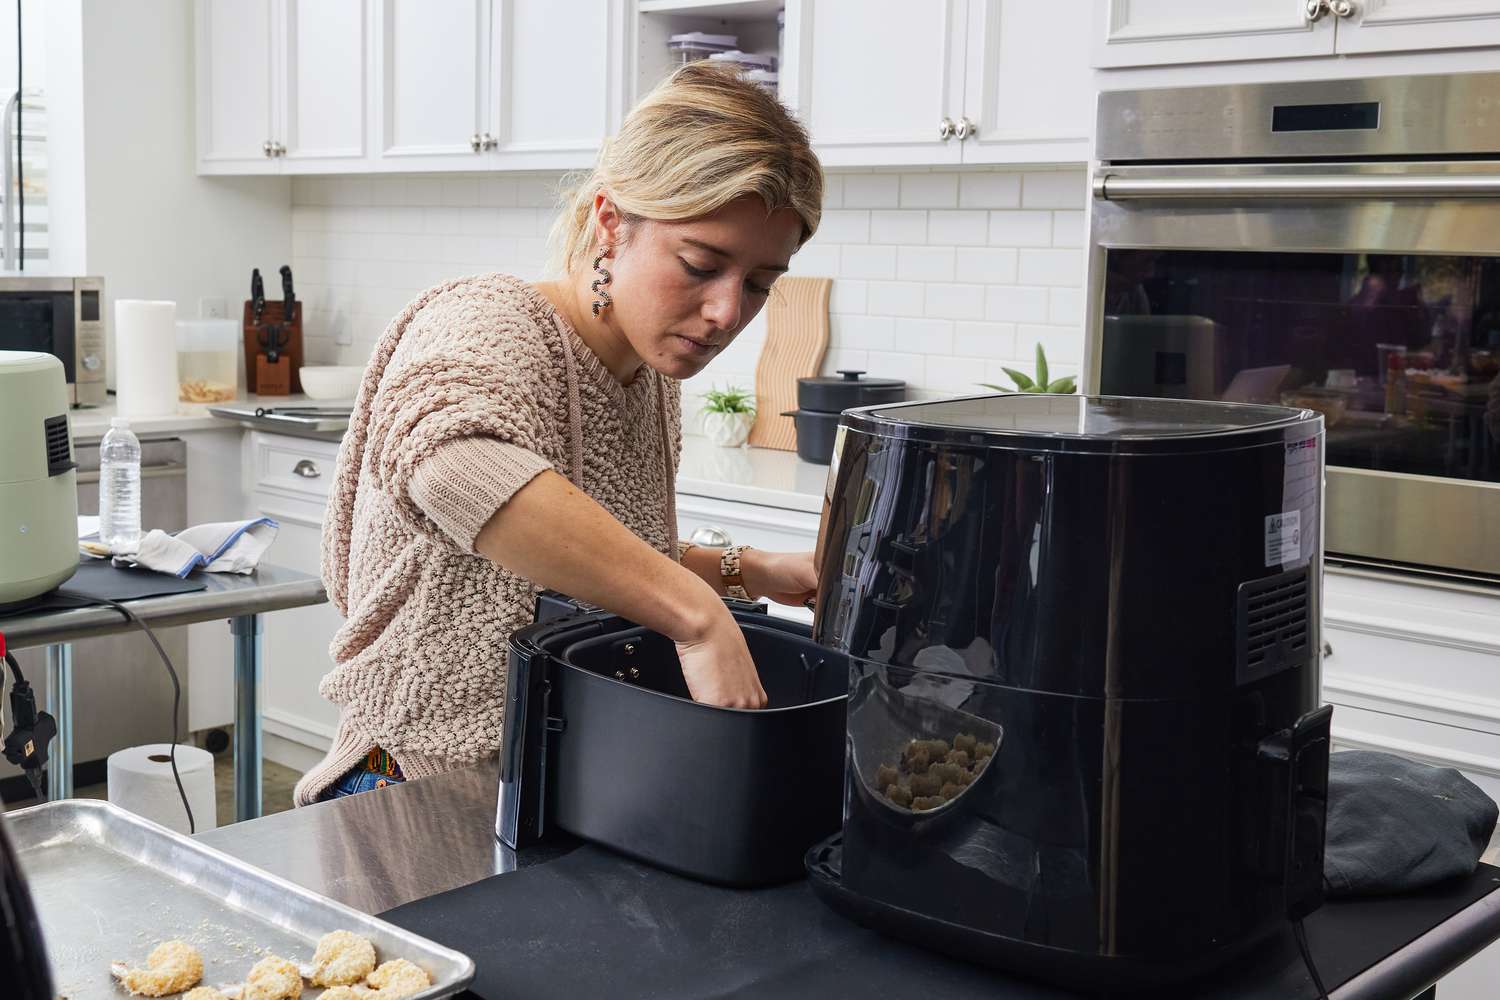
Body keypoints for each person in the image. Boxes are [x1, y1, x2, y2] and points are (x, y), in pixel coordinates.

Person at [293, 64, 825, 804]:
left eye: (761, 283)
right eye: (702, 265)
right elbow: (453, 466)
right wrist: (699, 618)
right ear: (612, 223)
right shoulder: (490, 321)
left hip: (550, 779)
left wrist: (758, 571)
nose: (726, 313)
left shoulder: (648, 375)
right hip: (406, 780)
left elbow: (594, 566)